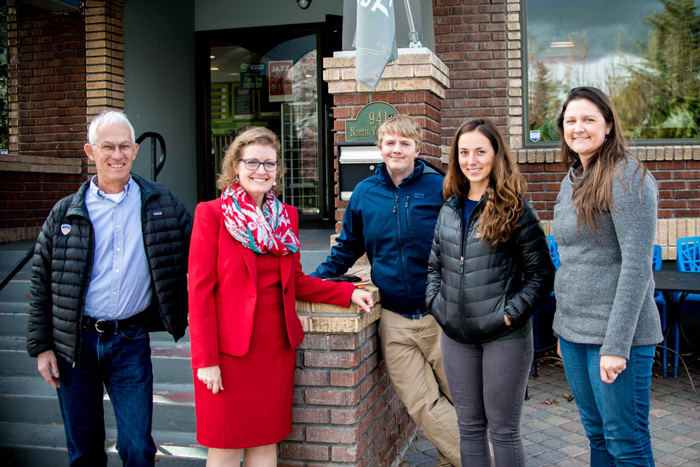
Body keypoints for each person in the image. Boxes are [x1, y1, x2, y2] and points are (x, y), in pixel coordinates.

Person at [188, 126, 374, 467]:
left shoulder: (284, 217)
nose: (261, 171)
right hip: (228, 352)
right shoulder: (211, 214)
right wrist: (206, 360)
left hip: (274, 347)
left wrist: (346, 292)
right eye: (252, 162)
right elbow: (199, 293)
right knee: (226, 442)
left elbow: (297, 282)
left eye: (269, 164)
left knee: (265, 439)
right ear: (235, 166)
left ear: (277, 171)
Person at [26, 109, 192, 466]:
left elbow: (204, 252)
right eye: (107, 147)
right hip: (75, 345)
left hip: (129, 341)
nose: (116, 155)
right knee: (84, 451)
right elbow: (41, 282)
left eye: (123, 147)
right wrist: (42, 347)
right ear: (90, 152)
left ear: (134, 150)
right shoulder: (65, 213)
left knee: (137, 448)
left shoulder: (162, 203)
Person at [312, 114, 461, 466]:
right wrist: (313, 282)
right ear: (380, 147)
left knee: (462, 401)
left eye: (404, 143)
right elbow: (347, 247)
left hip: (440, 318)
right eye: (389, 143)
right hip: (393, 322)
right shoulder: (365, 193)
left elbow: (462, 247)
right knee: (422, 404)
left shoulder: (439, 187)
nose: (396, 149)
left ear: (416, 148)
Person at [425, 118, 554, 466]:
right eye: (464, 152)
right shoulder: (449, 208)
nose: (472, 160)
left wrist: (509, 314)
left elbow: (541, 274)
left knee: (503, 430)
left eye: (480, 151)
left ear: (496, 155)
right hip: (456, 336)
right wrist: (439, 306)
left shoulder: (516, 209)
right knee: (468, 427)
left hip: (504, 337)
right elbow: (435, 267)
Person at [552, 86, 663, 466]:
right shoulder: (572, 180)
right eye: (571, 121)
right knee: (597, 437)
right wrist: (562, 331)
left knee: (625, 441)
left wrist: (616, 346)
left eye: (588, 119)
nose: (578, 128)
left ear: (609, 125)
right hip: (574, 335)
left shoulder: (628, 176)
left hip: (617, 339)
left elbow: (636, 265)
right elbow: (573, 261)